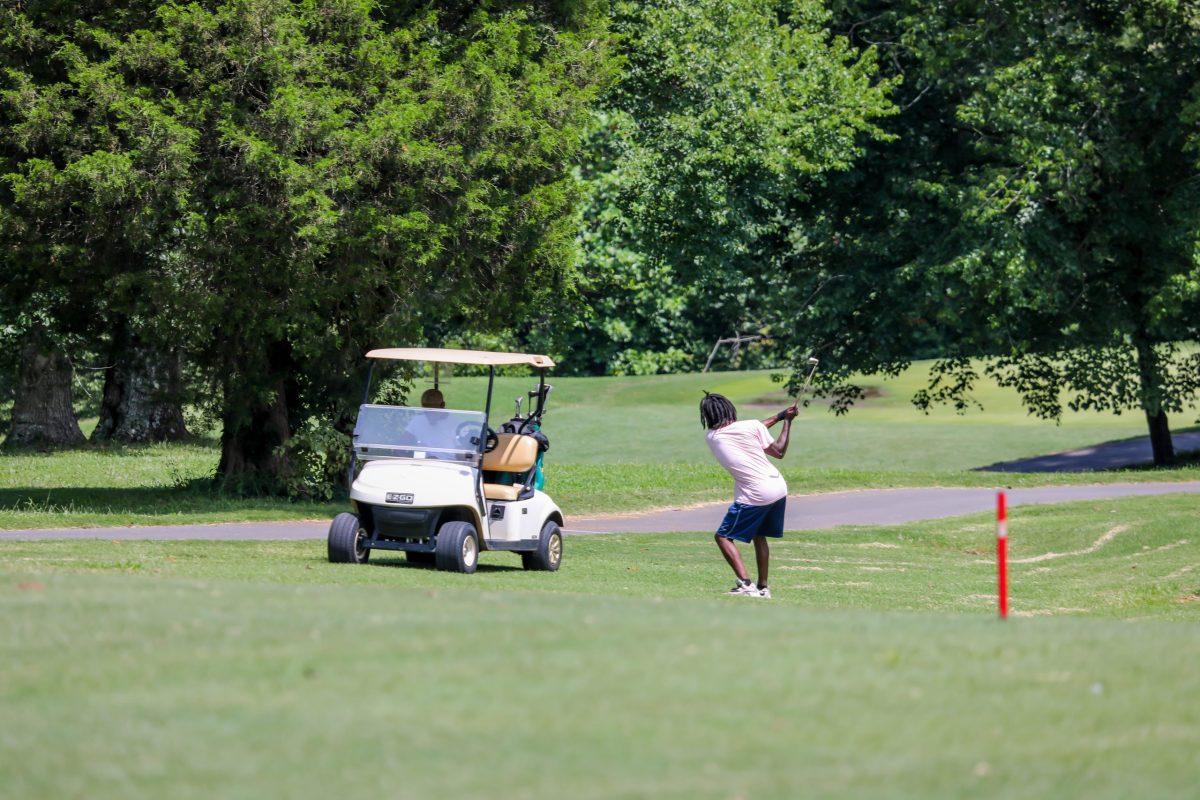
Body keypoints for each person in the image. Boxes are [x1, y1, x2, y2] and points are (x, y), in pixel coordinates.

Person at [700, 391, 798, 599]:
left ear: (708, 416)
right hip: (778, 486)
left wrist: (780, 416)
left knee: (723, 537)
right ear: (729, 409)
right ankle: (763, 588)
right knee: (758, 535)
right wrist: (786, 421)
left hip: (757, 493)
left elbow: (757, 427)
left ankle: (746, 584)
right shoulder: (752, 426)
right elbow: (778, 451)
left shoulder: (712, 437)